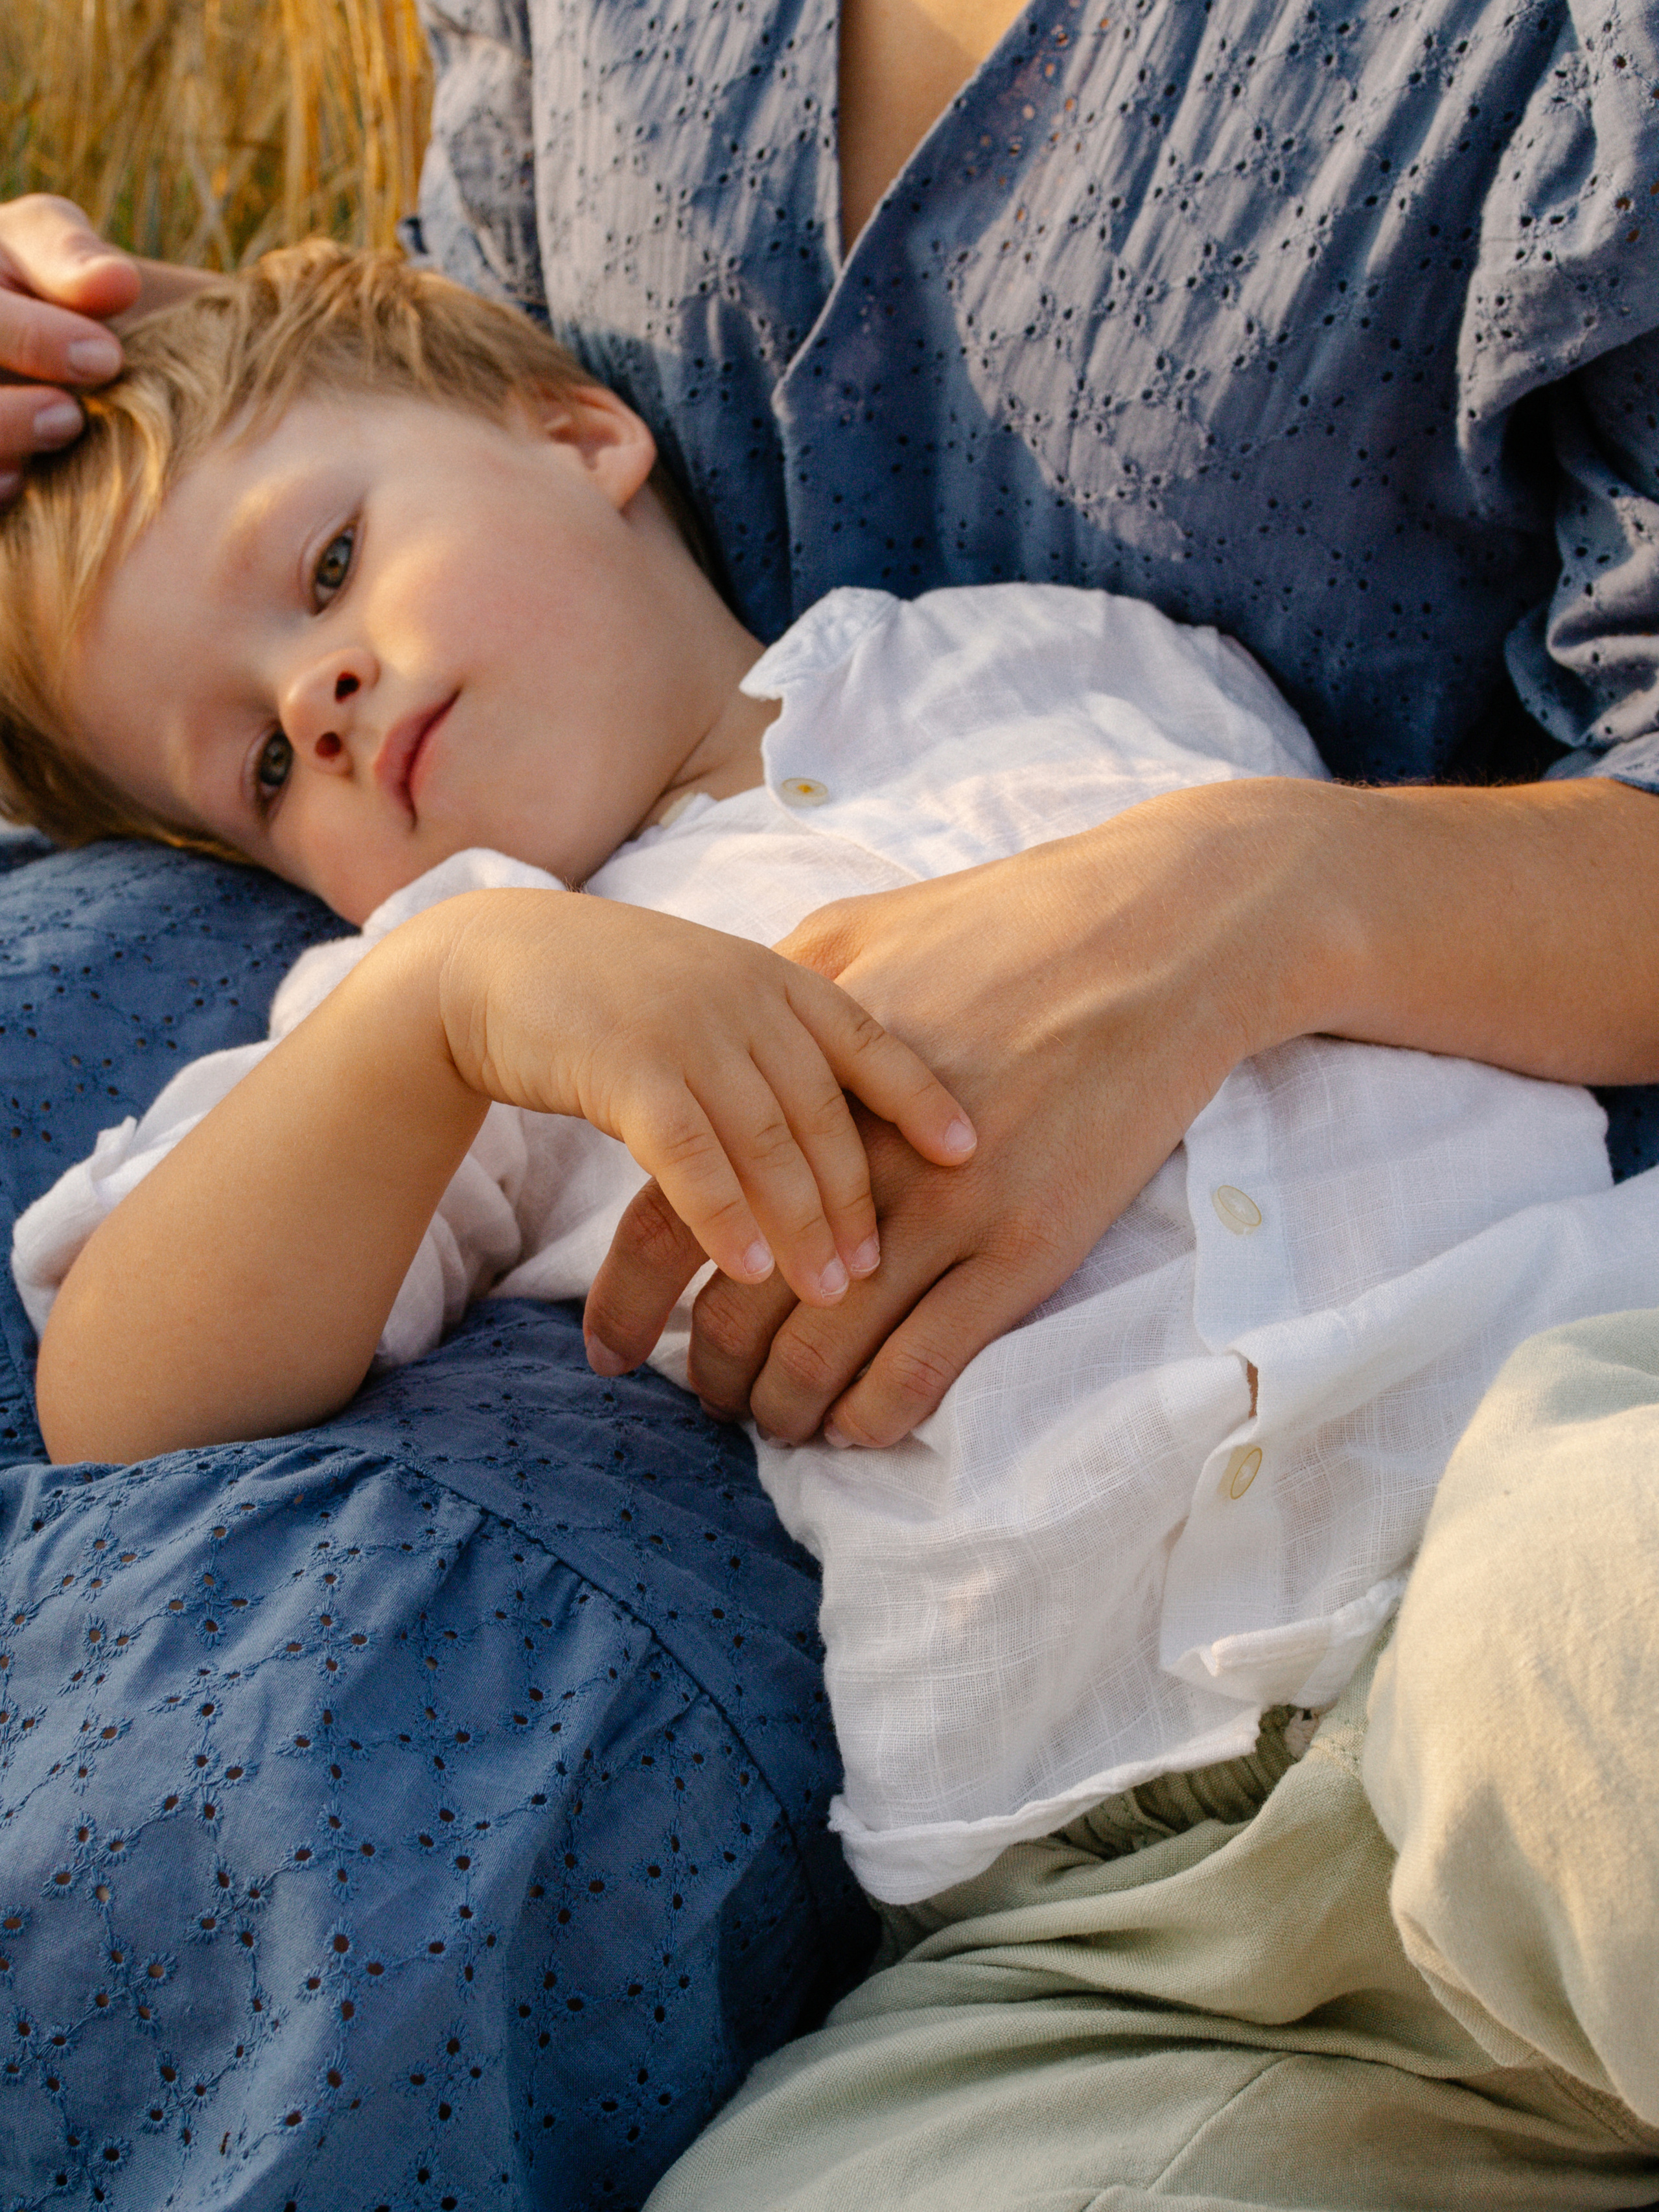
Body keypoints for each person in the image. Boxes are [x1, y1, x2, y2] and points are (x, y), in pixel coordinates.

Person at [1, 0, 1658, 2200]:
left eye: (325, 570)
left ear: (579, 427)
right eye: (257, 768)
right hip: (1096, 1892)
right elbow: (122, 1383)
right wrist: (440, 1011)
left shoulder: (1051, 642)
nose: (321, 697)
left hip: (1505, 1486)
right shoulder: (474, 995)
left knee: (1600, 1643)